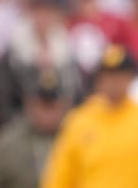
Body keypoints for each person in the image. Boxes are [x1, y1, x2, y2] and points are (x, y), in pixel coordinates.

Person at [41, 44, 138, 188]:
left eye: (119, 76)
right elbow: (60, 175)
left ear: (130, 78)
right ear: (98, 81)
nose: (114, 83)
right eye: (108, 77)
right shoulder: (79, 120)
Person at [0, 67, 72, 188]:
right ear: (29, 104)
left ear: (65, 106)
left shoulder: (76, 137)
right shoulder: (8, 142)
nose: (47, 114)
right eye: (42, 106)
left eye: (52, 106)